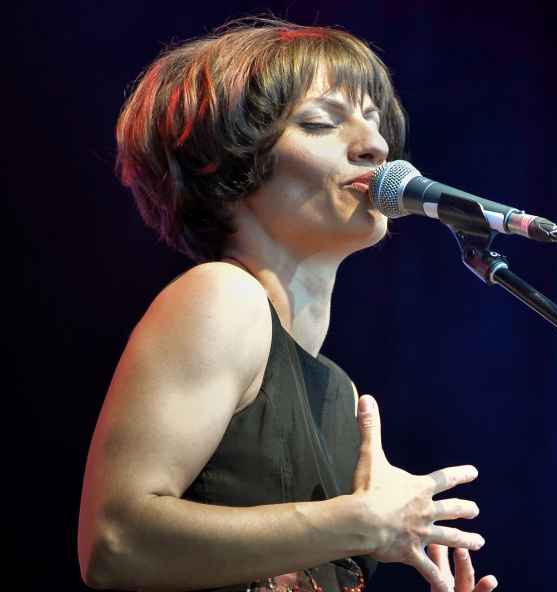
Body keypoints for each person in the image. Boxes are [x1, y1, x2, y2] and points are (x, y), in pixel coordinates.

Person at [77, 16, 498, 592]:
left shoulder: (340, 393)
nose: (376, 146)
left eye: (375, 121)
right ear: (230, 163)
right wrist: (355, 523)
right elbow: (115, 543)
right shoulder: (222, 297)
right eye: (321, 123)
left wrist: (355, 528)